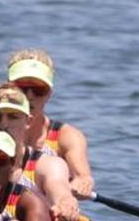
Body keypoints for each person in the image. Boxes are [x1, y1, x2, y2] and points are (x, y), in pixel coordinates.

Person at [6, 48, 95, 199]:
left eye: (38, 90)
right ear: (7, 89)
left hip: (53, 216)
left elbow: (83, 177)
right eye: (22, 88)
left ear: (49, 95)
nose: (29, 96)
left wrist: (80, 184)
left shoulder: (67, 136)